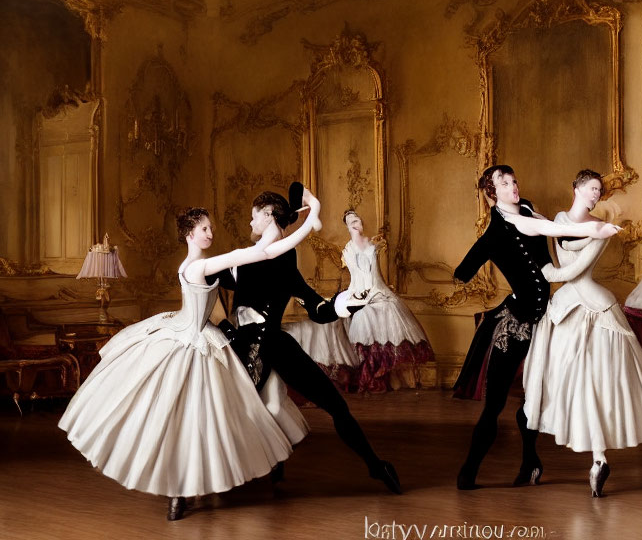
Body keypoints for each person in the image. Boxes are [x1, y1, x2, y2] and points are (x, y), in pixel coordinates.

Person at [59, 191, 323, 521]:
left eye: (211, 229)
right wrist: (310, 222)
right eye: (204, 230)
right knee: (194, 416)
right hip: (193, 340)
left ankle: (184, 491)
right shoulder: (201, 265)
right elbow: (265, 251)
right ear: (189, 234)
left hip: (191, 333)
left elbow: (262, 253)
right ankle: (181, 491)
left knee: (196, 415)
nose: (210, 234)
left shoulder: (189, 265)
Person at [207, 184, 401, 495]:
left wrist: (343, 303)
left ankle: (376, 467)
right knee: (226, 413)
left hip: (273, 344)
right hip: (244, 350)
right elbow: (204, 281)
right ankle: (197, 486)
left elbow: (315, 307)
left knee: (336, 405)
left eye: (254, 217)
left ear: (269, 216)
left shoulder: (284, 260)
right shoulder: (243, 259)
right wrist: (223, 327)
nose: (250, 224)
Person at [453, 164, 620, 490]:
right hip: (513, 324)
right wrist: (595, 232)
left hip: (544, 319)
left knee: (535, 398)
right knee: (496, 404)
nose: (512, 185)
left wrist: (585, 233)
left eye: (513, 179)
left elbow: (549, 244)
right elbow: (464, 270)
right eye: (504, 183)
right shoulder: (499, 229)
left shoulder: (528, 209)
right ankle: (468, 472)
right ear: (492, 193)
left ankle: (531, 462)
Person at [523, 169, 642, 497]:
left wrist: (545, 270)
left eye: (599, 191)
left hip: (593, 307)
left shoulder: (600, 229)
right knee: (560, 384)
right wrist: (590, 232)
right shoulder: (560, 219)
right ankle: (534, 459)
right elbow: (562, 238)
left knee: (595, 384)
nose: (596, 194)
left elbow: (572, 271)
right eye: (591, 188)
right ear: (576, 187)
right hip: (566, 308)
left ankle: (598, 459)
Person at [339, 209, 434, 392]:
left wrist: (382, 291)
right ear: (347, 228)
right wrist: (357, 297)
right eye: (351, 223)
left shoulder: (371, 244)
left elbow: (376, 275)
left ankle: (382, 375)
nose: (355, 224)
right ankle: (370, 376)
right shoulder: (348, 250)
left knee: (389, 310)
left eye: (357, 220)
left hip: (378, 291)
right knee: (364, 319)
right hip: (360, 294)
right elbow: (356, 277)